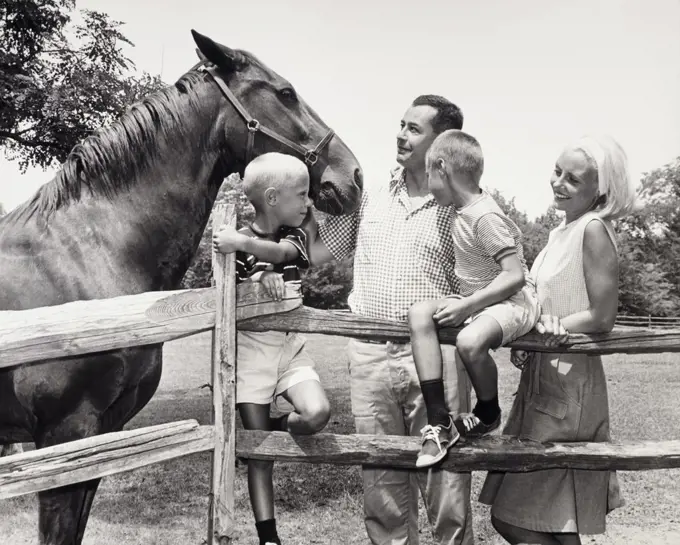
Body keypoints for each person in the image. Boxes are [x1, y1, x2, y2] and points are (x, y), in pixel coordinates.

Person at [304, 95, 474, 545]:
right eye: (401, 124)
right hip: (369, 356)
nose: (401, 134)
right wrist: (264, 248)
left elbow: (492, 280)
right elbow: (323, 252)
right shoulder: (370, 196)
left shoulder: (460, 206)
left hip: (436, 357)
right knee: (381, 491)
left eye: (415, 129)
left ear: (442, 142)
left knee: (446, 488)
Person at [479, 134, 637, 544]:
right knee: (551, 520)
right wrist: (531, 335)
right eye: (557, 171)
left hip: (571, 381)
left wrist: (556, 327)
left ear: (598, 191)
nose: (558, 183)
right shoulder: (558, 232)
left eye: (573, 180)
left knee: (526, 517)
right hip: (544, 374)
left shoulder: (593, 229)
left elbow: (602, 316)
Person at [212, 152, 331, 545]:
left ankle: (277, 427)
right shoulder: (237, 246)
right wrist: (257, 277)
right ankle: (269, 537)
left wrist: (250, 253)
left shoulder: (292, 235)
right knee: (261, 456)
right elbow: (239, 284)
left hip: (289, 348)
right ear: (273, 197)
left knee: (316, 413)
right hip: (251, 355)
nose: (309, 202)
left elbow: (283, 257)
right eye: (302, 194)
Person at [408, 130, 539, 468]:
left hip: (512, 300)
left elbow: (514, 276)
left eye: (427, 172)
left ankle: (488, 411)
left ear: (441, 167)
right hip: (479, 300)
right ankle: (440, 419)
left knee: (468, 341)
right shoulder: (460, 209)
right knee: (419, 313)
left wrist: (467, 306)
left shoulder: (484, 215)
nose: (426, 181)